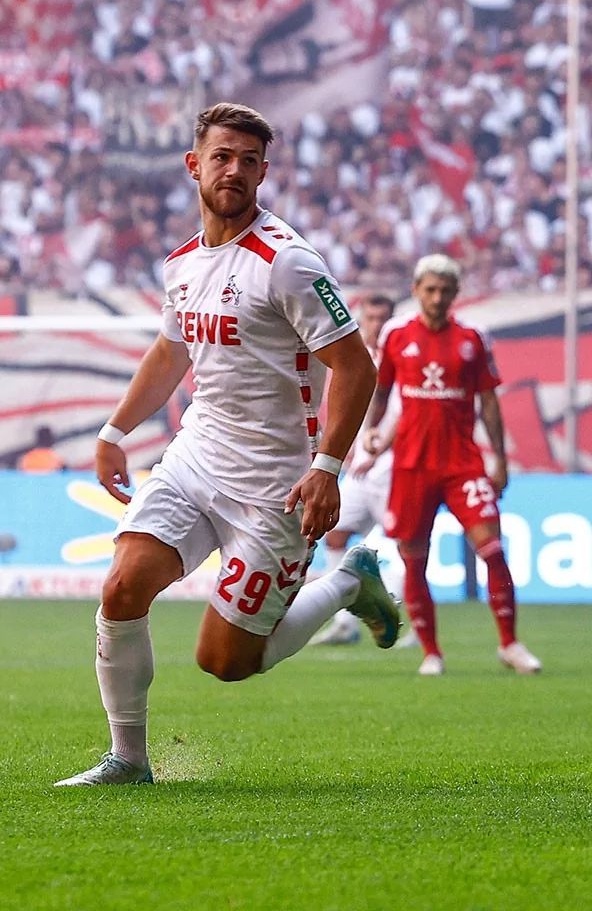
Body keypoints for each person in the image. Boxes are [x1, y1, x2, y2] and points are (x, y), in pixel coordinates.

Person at [57, 102, 401, 787]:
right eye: (222, 156)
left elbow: (356, 366)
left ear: (264, 173)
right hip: (196, 458)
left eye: (249, 160)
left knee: (227, 661)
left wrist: (327, 470)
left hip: (276, 485)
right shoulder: (182, 264)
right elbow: (171, 347)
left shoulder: (288, 263)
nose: (234, 170)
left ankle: (348, 583)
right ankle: (127, 759)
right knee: (123, 586)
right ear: (194, 165)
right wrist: (114, 431)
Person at [355, 254, 539, 676]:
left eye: (445, 291)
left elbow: (489, 401)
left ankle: (509, 644)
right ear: (417, 290)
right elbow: (381, 390)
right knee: (414, 559)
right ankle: (431, 653)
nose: (437, 298)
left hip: (463, 464)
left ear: (456, 294)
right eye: (430, 289)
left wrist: (500, 459)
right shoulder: (397, 336)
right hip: (413, 465)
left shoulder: (474, 338)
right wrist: (371, 429)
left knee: (492, 550)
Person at [311, 292, 402, 647]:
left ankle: (404, 614)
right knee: (335, 534)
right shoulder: (353, 357)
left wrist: (380, 451)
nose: (377, 325)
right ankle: (344, 623)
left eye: (384, 318)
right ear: (361, 319)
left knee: (408, 542)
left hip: (391, 466)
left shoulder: (399, 359)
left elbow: (404, 410)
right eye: (371, 318)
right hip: (360, 468)